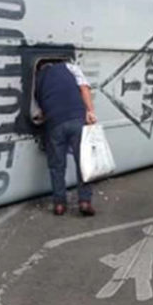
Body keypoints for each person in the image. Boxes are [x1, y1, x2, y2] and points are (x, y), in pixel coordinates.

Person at [35, 60, 98, 216]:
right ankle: (84, 201)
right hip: (77, 120)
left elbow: (38, 107)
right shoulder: (70, 67)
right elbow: (84, 88)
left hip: (54, 124)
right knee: (83, 162)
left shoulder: (38, 79)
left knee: (57, 166)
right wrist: (90, 111)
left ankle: (59, 204)